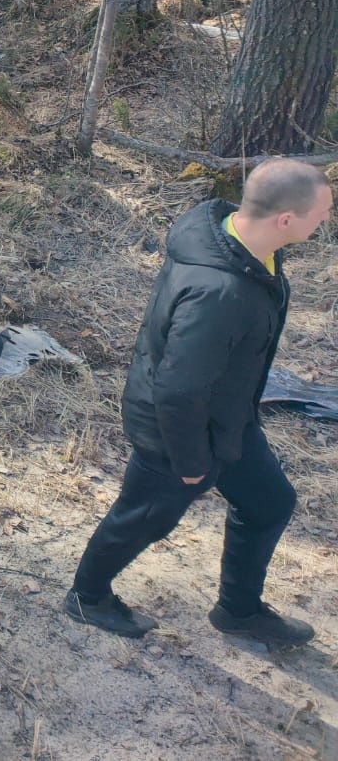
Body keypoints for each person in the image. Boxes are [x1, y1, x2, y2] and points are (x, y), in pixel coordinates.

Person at [64, 158, 333, 648]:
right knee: (145, 517)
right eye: (322, 214)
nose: (326, 223)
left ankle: (238, 610)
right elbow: (179, 389)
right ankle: (88, 596)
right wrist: (191, 464)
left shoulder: (245, 247)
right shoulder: (220, 291)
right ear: (286, 220)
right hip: (177, 430)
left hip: (227, 418)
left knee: (270, 502)